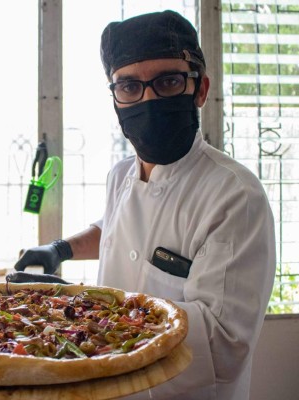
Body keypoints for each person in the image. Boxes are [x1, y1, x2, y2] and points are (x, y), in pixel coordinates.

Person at [14, 10, 276, 400]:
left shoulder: (236, 197)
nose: (148, 99)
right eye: (130, 87)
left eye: (168, 82)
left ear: (200, 89)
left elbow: (222, 345)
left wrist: (81, 307)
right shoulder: (121, 175)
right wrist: (60, 249)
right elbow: (114, 229)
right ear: (116, 98)